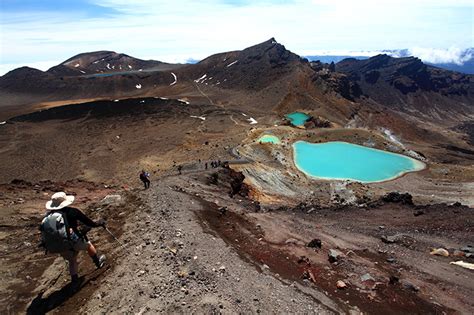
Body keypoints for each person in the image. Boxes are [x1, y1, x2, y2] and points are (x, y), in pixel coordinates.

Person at [40, 192, 106, 285]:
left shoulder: (49, 217)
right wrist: (99, 223)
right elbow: (89, 222)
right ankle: (98, 262)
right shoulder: (73, 211)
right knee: (88, 245)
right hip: (74, 241)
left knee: (72, 260)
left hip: (60, 244)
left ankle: (75, 281)